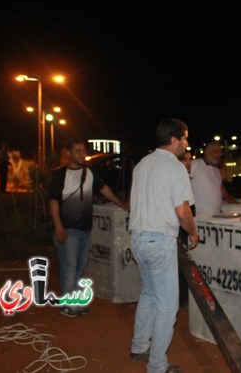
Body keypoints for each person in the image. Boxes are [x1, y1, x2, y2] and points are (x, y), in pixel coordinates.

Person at [129, 118, 199, 373]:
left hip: (137, 238)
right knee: (167, 305)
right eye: (185, 138)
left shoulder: (142, 165)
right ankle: (157, 365)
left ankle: (138, 346)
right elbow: (182, 212)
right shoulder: (175, 167)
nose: (187, 143)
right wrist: (193, 231)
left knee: (148, 293)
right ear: (174, 140)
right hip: (159, 241)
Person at [48, 139, 129, 318]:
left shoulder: (89, 172)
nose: (82, 154)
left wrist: (121, 204)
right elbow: (53, 201)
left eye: (83, 150)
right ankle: (68, 304)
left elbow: (104, 189)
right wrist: (58, 226)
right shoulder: (60, 175)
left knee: (80, 266)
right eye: (77, 150)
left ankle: (75, 301)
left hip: (85, 229)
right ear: (68, 153)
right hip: (68, 229)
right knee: (69, 268)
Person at [189, 140, 238, 219]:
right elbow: (181, 181)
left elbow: (220, 187)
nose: (218, 155)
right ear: (207, 152)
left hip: (215, 218)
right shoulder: (195, 164)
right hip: (200, 219)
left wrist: (230, 199)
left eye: (220, 152)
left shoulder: (216, 170)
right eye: (215, 151)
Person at [178, 149, 194, 308]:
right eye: (185, 160)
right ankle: (180, 299)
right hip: (179, 229)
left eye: (190, 160)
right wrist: (192, 231)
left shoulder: (188, 178)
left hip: (186, 227)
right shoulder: (178, 178)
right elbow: (182, 210)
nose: (188, 163)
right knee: (180, 267)